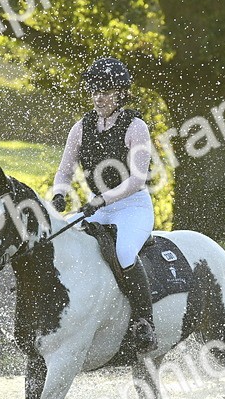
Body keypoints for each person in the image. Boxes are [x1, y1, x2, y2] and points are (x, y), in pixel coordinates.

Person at [50, 56, 157, 352]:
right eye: (95, 90)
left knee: (123, 252)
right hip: (98, 207)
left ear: (121, 93)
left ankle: (144, 323)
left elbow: (136, 179)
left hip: (132, 207)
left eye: (106, 91)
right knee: (60, 240)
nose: (99, 97)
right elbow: (65, 169)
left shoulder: (136, 127)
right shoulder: (81, 127)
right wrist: (59, 192)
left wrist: (101, 199)